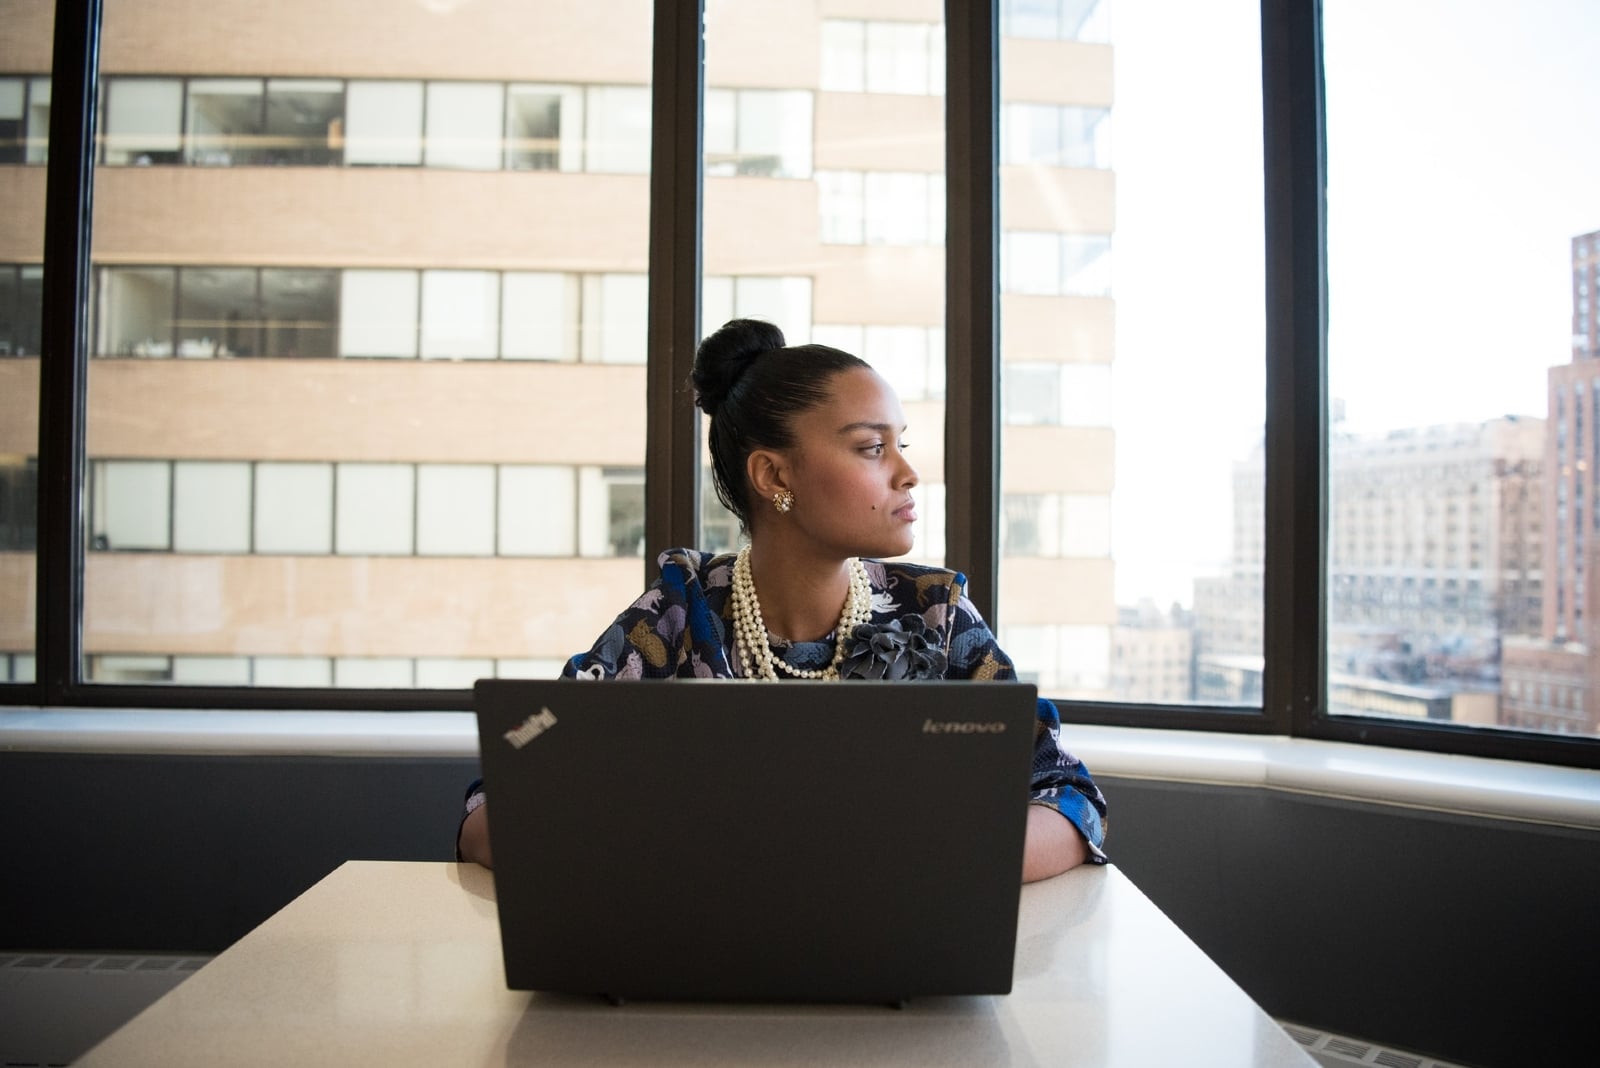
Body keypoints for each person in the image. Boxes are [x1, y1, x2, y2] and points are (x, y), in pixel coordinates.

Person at [458, 319, 1107, 881]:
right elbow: (495, 806)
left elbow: (1070, 799)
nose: (908, 474)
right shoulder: (678, 614)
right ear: (774, 476)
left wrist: (923, 862)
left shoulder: (936, 616)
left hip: (898, 979)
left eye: (900, 444)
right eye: (871, 448)